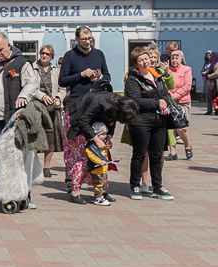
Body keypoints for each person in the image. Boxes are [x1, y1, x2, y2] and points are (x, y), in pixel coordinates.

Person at [59, 27, 111, 202]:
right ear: (76, 39)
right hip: (76, 106)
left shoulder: (99, 54)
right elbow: (62, 80)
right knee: (78, 151)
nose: (88, 41)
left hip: (96, 106)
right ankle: (75, 190)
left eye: (90, 38)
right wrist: (81, 75)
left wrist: (100, 77)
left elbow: (108, 76)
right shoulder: (70, 56)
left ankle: (100, 190)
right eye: (84, 39)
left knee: (100, 149)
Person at [68, 89, 139, 205]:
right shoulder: (99, 102)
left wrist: (108, 138)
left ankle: (100, 191)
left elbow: (112, 122)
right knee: (81, 159)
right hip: (77, 121)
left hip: (93, 126)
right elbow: (82, 121)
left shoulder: (118, 107)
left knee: (102, 159)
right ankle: (75, 192)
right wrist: (96, 139)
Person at [125, 47, 175, 201]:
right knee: (139, 154)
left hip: (159, 121)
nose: (145, 62)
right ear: (136, 63)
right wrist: (156, 103)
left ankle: (157, 187)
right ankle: (135, 185)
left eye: (146, 59)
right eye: (141, 60)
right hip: (141, 121)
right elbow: (135, 101)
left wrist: (165, 103)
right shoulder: (133, 79)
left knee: (156, 155)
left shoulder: (157, 76)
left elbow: (166, 94)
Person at [0, 34, 39, 146]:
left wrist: (23, 96)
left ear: (8, 45)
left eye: (1, 49)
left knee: (10, 151)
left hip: (11, 118)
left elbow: (32, 83)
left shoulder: (21, 62)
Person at [32, 44, 65, 178]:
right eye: (42, 53)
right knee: (35, 138)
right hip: (37, 107)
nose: (44, 56)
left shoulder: (56, 70)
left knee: (51, 138)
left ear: (52, 56)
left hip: (53, 109)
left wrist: (58, 97)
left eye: (47, 54)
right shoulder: (33, 68)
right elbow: (29, 86)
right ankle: (33, 166)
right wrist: (42, 96)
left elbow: (63, 88)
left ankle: (46, 167)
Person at [166, 50, 193, 160]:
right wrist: (169, 95)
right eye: (172, 58)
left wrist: (176, 95)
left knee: (180, 127)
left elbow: (187, 86)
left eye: (177, 58)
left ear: (181, 59)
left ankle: (187, 146)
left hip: (183, 101)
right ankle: (173, 153)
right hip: (170, 101)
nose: (174, 60)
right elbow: (164, 84)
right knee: (171, 128)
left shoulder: (187, 69)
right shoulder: (168, 70)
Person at [201, 51, 215, 115]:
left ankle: (216, 109)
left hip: (212, 80)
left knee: (212, 95)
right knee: (207, 95)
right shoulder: (206, 63)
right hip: (206, 80)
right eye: (207, 55)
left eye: (210, 55)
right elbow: (202, 71)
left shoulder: (214, 63)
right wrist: (204, 73)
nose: (209, 57)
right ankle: (209, 110)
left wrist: (209, 73)